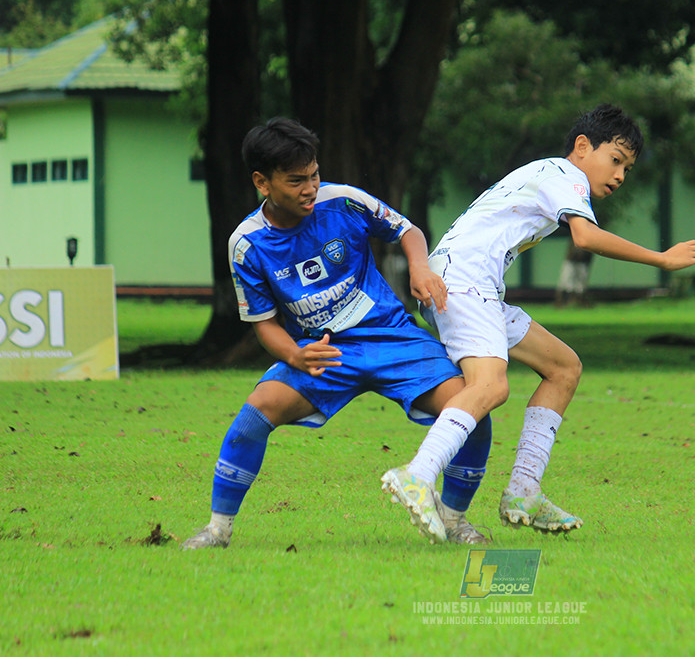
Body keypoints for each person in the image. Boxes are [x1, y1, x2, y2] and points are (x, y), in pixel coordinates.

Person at [181, 117, 493, 549]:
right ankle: (217, 530)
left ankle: (455, 521)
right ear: (262, 182)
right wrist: (294, 356)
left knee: (471, 408)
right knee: (253, 415)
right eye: (295, 181)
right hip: (323, 353)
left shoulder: (343, 201)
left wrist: (419, 267)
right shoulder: (247, 244)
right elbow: (264, 324)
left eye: (314, 175)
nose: (310, 188)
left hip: (392, 336)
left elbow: (408, 231)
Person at [390, 104, 695, 534]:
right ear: (581, 147)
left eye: (627, 169)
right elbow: (586, 236)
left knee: (563, 367)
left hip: (469, 286)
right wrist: (661, 260)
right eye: (615, 160)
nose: (619, 176)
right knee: (490, 386)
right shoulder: (565, 176)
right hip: (462, 285)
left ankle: (524, 490)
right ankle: (417, 475)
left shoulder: (549, 175)